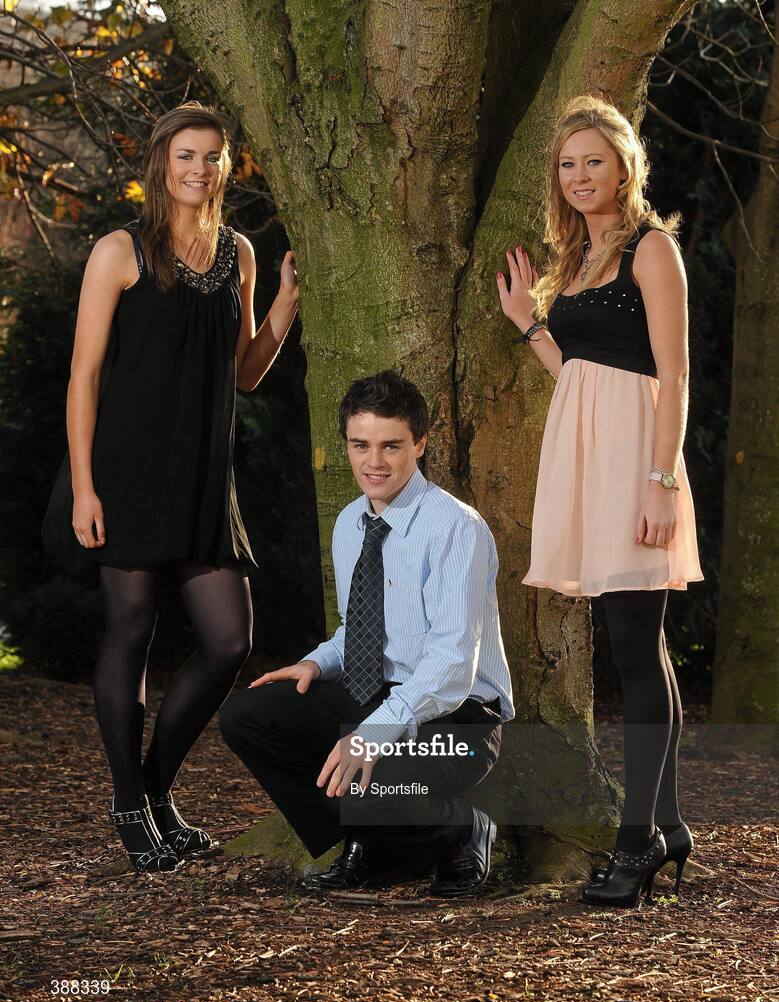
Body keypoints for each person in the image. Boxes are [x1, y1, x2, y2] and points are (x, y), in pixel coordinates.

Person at [42, 101, 299, 873]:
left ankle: (152, 787)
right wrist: (85, 488)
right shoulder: (120, 251)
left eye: (212, 156)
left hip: (202, 475)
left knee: (229, 642)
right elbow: (84, 376)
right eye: (186, 155)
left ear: (226, 165)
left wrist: (284, 301)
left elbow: (245, 373)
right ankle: (131, 802)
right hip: (124, 470)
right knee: (131, 633)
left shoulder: (240, 254)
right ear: (160, 163)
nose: (199, 168)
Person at [496, 94, 702, 908]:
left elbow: (672, 375)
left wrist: (660, 482)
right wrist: (529, 326)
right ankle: (670, 824)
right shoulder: (574, 259)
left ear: (624, 167)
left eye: (594, 161)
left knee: (632, 644)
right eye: (567, 164)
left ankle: (636, 841)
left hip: (639, 466)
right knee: (633, 644)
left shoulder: (653, 249)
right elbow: (581, 377)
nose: (580, 176)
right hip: (588, 455)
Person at [219, 371, 514, 896]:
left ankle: (462, 830)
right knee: (248, 716)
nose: (373, 462)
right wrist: (318, 661)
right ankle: (366, 837)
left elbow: (451, 662)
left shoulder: (456, 528)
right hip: (377, 695)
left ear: (419, 444)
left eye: (390, 446)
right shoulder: (350, 523)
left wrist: (371, 732)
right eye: (360, 445)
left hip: (459, 719)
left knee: (362, 775)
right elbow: (359, 631)